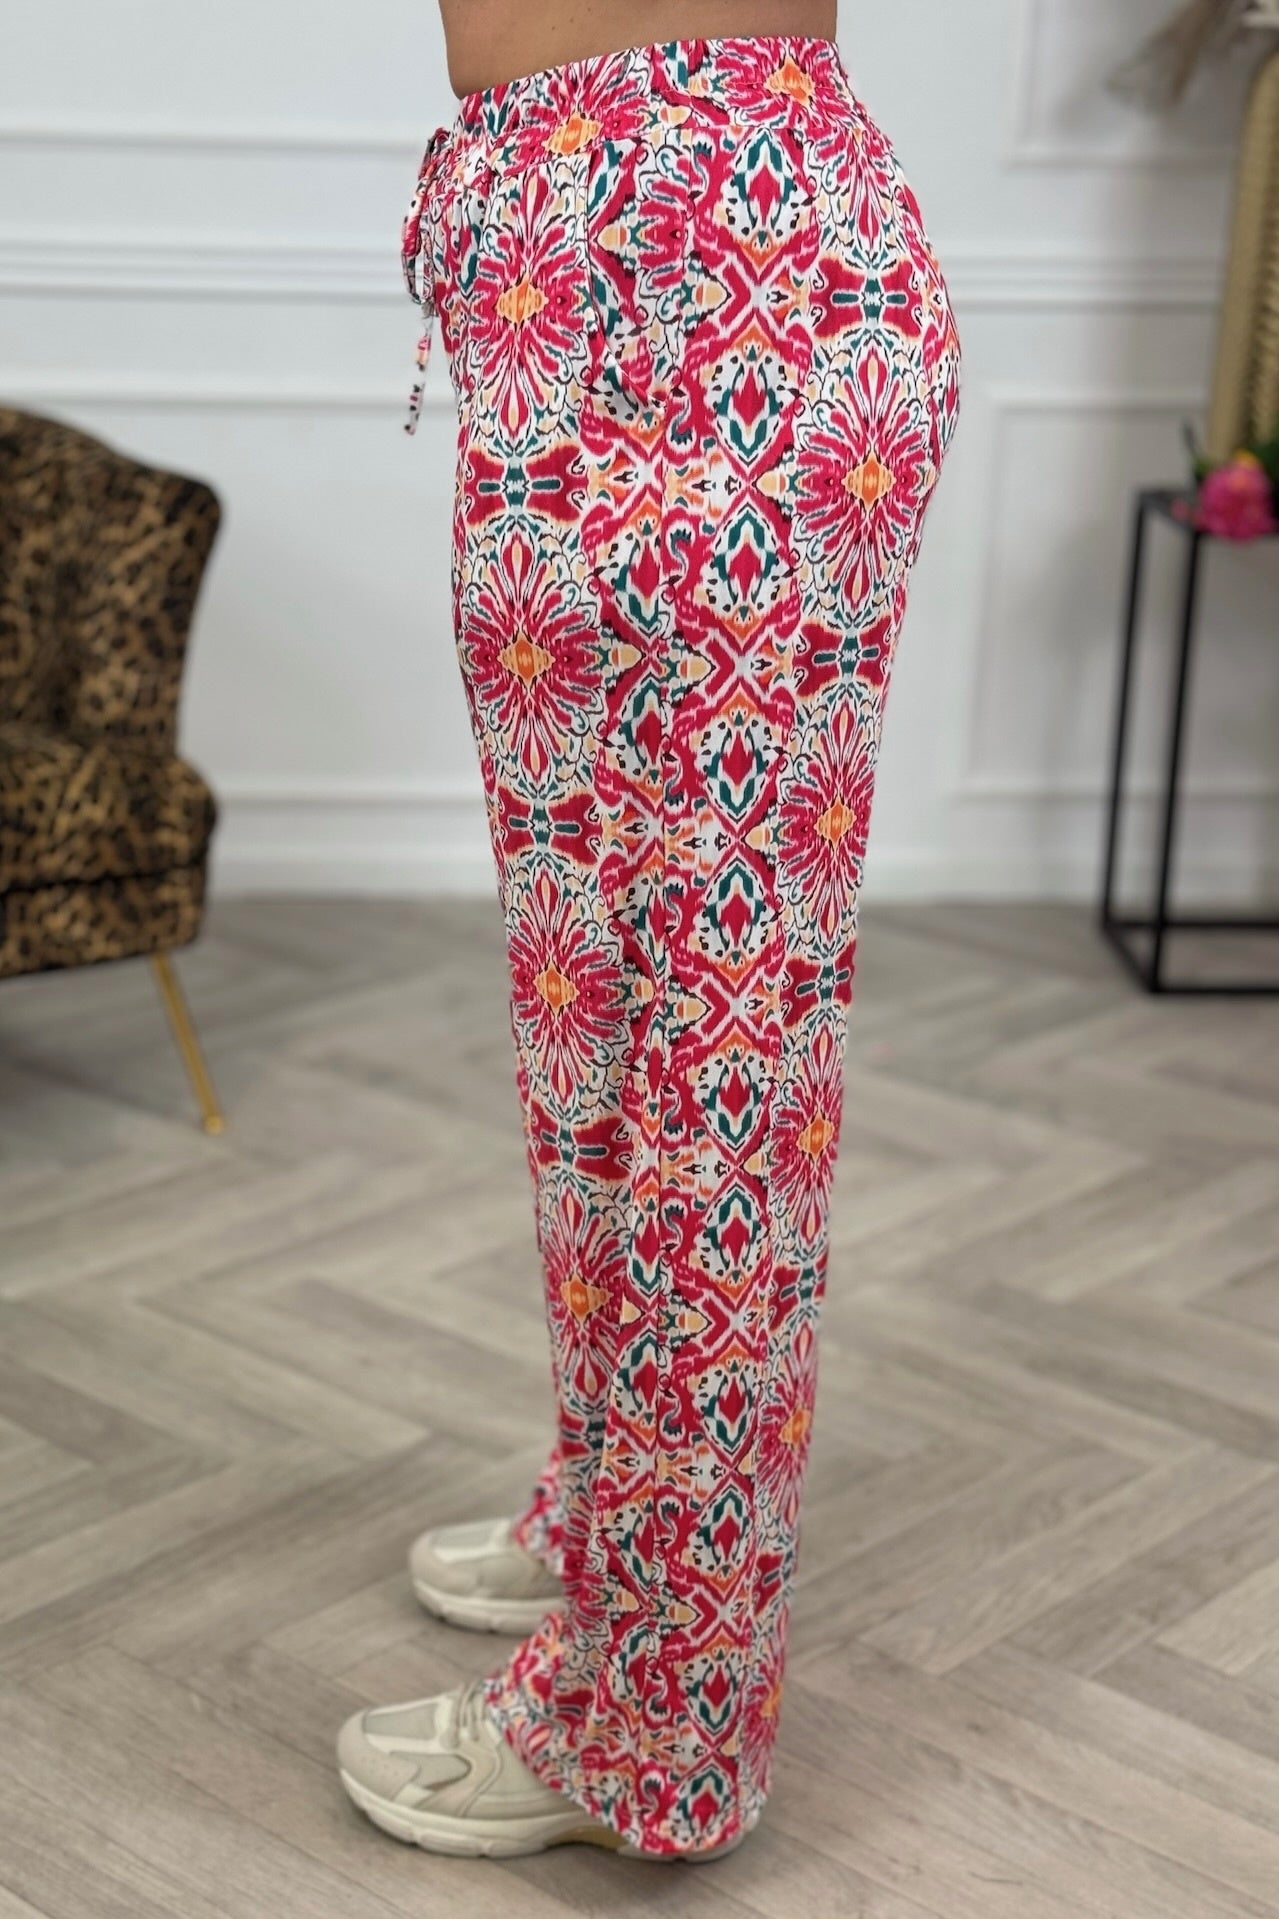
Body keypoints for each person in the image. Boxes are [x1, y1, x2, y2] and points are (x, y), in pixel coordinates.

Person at [336, 1, 961, 1864]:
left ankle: (658, 1721)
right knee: (593, 1015)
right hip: (588, 272)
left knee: (711, 1059)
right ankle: (621, 1517)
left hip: (706, 260)